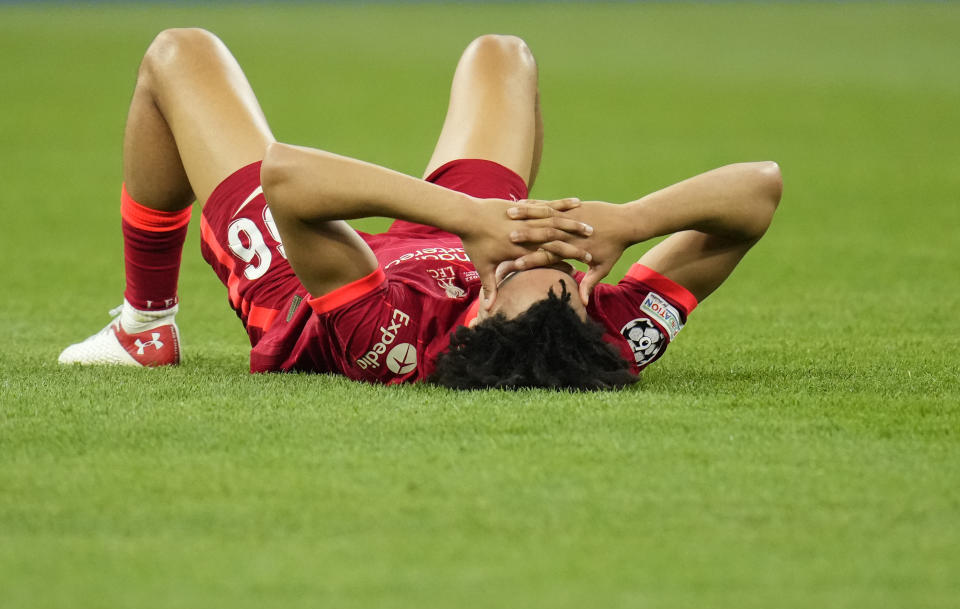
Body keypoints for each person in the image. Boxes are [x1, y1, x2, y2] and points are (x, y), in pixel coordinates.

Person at [59, 29, 782, 390]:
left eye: (532, 263)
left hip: (305, 269)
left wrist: (472, 220)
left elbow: (290, 178)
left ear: (484, 302)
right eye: (565, 268)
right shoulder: (607, 336)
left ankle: (144, 327)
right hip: (455, 234)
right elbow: (758, 189)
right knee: (503, 54)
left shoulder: (390, 333)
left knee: (179, 54)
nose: (550, 250)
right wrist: (630, 221)